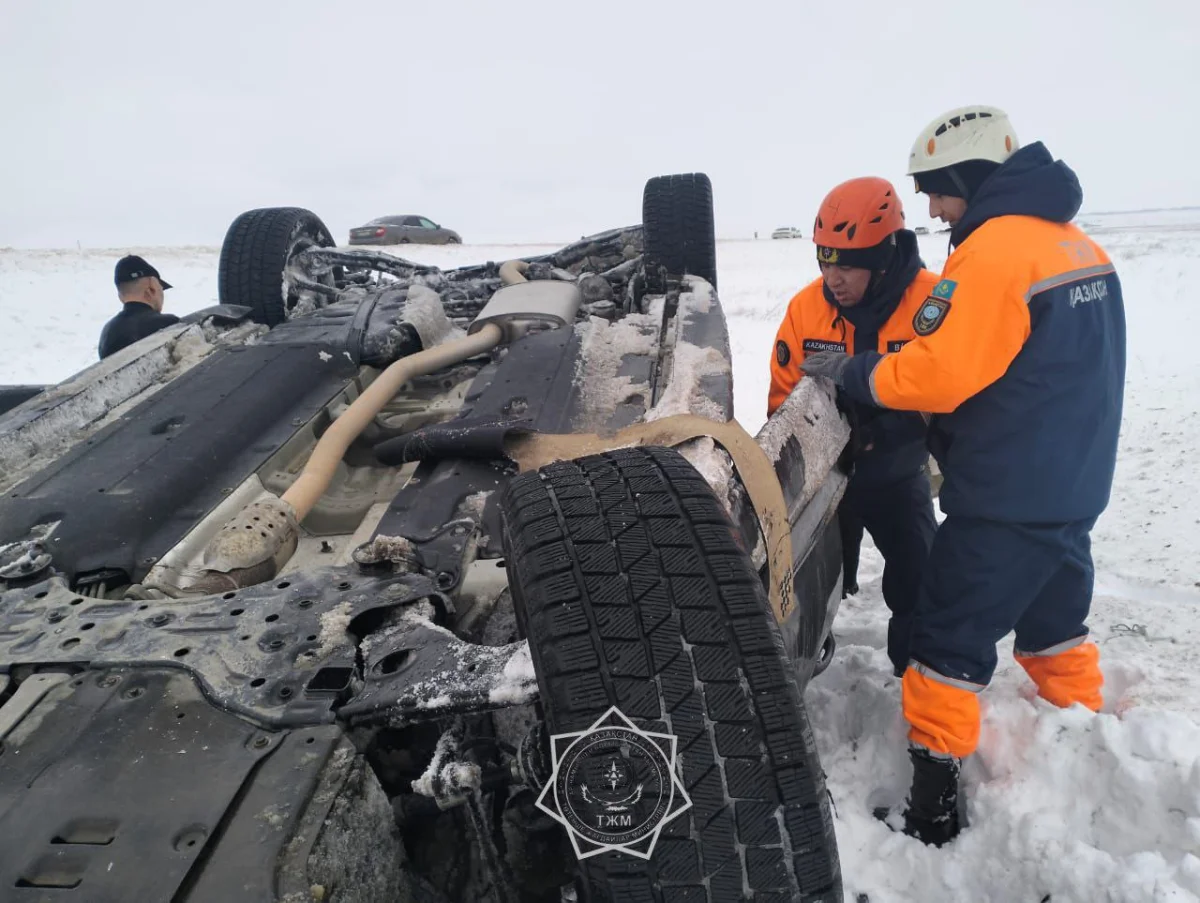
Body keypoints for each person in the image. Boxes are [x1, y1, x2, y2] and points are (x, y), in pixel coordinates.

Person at [800, 106, 1127, 846]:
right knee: (1055, 627)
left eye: (935, 191)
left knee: (945, 643)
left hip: (1006, 496)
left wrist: (857, 373)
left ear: (963, 178)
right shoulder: (1078, 248)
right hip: (1072, 488)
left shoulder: (993, 253)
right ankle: (1078, 737)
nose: (931, 208)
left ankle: (934, 806)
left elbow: (943, 371)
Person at [769, 176, 939, 677]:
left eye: (847, 263)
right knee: (805, 580)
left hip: (897, 473)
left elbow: (956, 389)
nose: (833, 276)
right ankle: (804, 654)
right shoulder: (807, 309)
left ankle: (919, 678)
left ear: (884, 255)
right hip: (827, 478)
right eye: (824, 259)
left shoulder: (934, 305)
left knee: (921, 578)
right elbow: (783, 400)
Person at [98, 255, 180, 359]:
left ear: (120, 297)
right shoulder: (168, 324)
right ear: (152, 288)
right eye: (161, 289)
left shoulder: (107, 333)